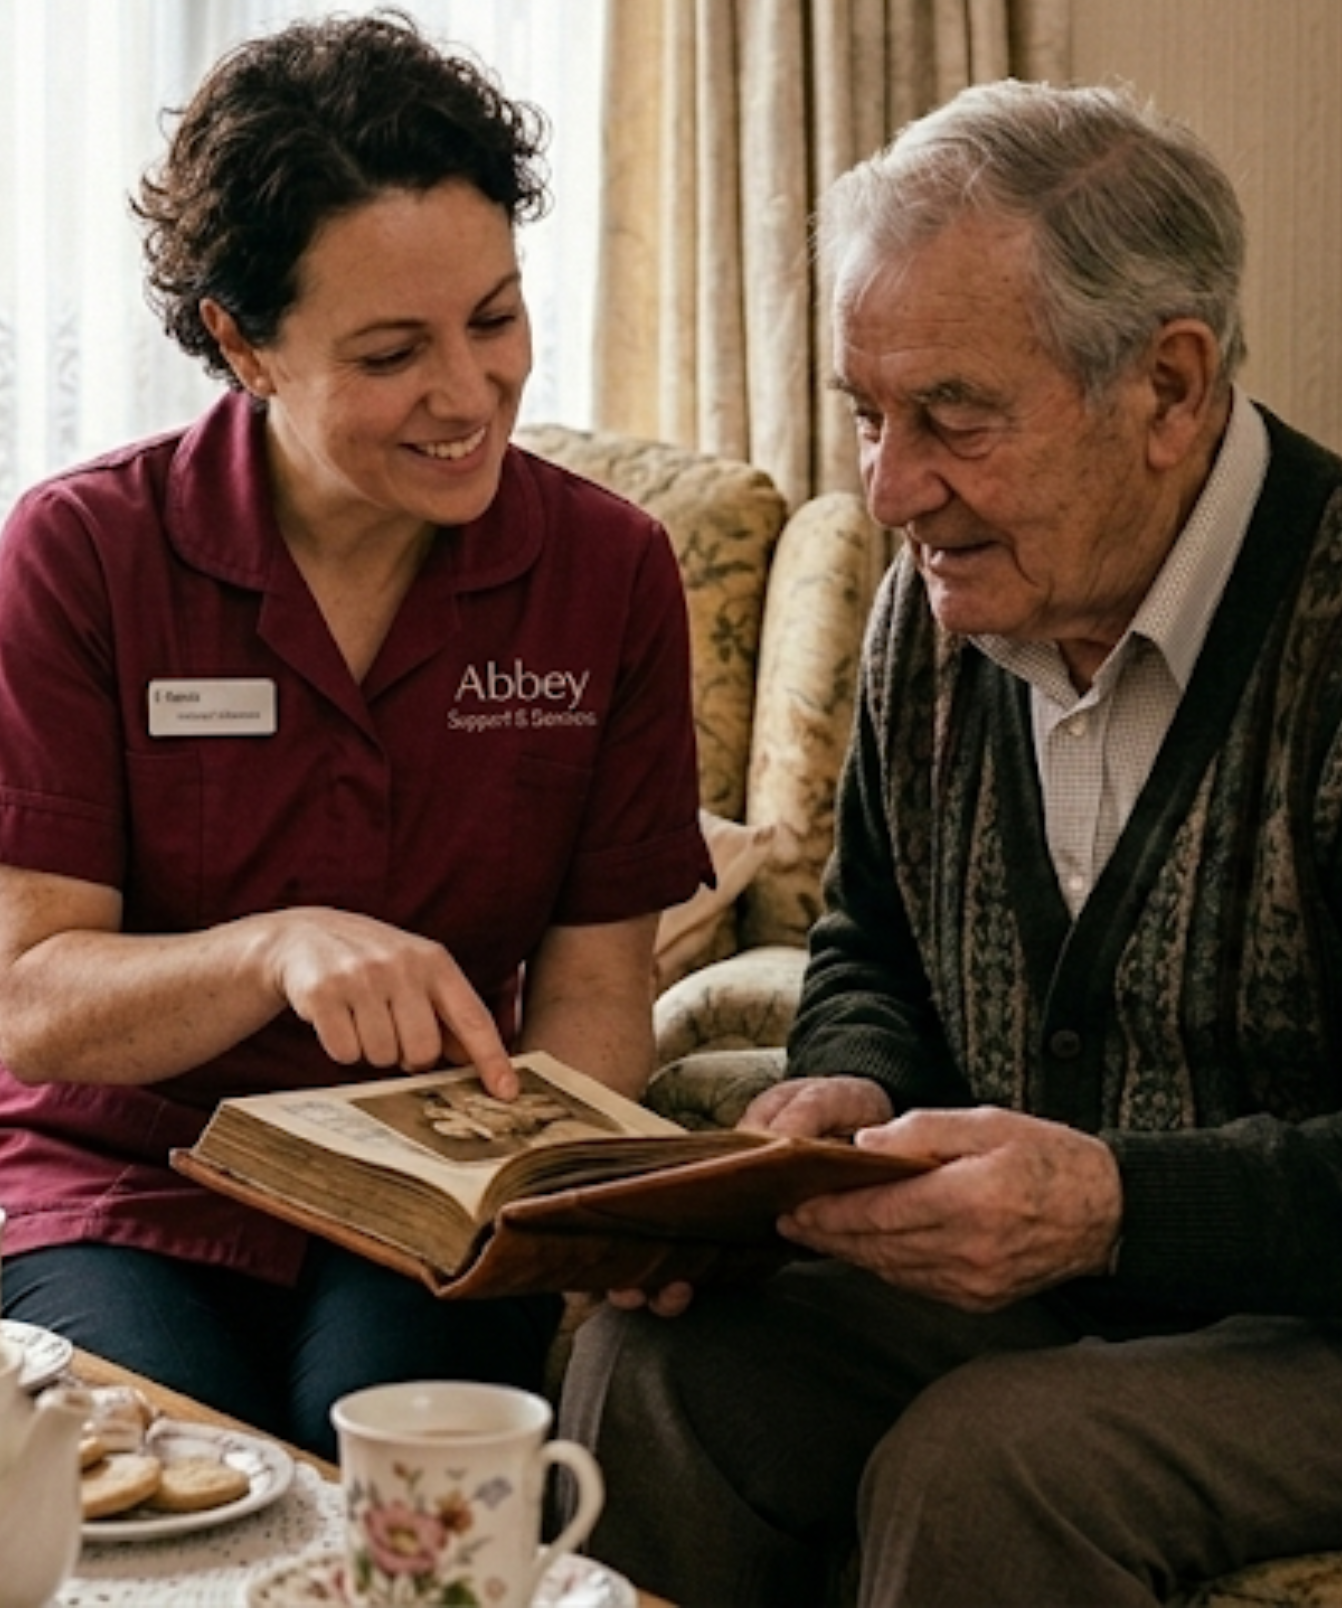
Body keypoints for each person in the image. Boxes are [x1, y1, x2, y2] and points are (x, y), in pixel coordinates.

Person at [558, 79, 1342, 1607]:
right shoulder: (932, 610)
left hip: (1310, 1322)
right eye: (870, 414)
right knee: (657, 1369)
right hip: (1064, 1291)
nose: (890, 489)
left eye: (952, 417)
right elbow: (873, 945)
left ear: (1170, 389)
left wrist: (1116, 1207)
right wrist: (849, 1079)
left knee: (988, 1466)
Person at [0, 9, 710, 1458]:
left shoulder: (610, 574)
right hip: (109, 1172)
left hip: (429, 1186)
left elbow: (597, 994)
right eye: (390, 352)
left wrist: (559, 1191)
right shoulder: (84, 551)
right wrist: (272, 948)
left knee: (408, 1469)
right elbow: (35, 1000)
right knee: (188, 1466)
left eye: (495, 319)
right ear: (242, 343)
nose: (467, 395)